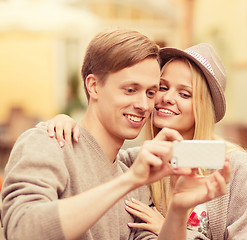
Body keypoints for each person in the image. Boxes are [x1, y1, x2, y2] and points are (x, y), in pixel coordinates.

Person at [1, 29, 230, 240]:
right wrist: (127, 182)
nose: (144, 104)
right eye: (130, 90)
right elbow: (22, 230)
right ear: (93, 86)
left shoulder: (135, 178)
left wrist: (178, 211)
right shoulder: (47, 143)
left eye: (151, 92)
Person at [37, 43, 247, 239]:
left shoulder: (232, 166)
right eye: (162, 87)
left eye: (184, 94)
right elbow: (98, 156)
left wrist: (169, 229)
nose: (167, 98)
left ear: (202, 107)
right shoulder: (138, 161)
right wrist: (66, 122)